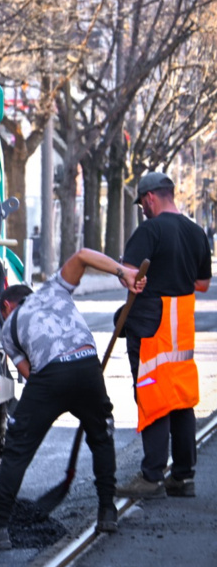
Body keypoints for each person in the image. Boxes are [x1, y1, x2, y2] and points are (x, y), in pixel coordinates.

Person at [0, 248, 145, 550]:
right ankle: (107, 510)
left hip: (50, 375)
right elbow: (82, 255)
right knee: (101, 436)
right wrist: (123, 272)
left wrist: (57, 393)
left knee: (17, 450)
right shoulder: (55, 288)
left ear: (6, 306)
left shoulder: (9, 329)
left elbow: (31, 375)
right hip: (88, 366)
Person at [116, 172, 211, 499]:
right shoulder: (197, 233)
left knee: (153, 394)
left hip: (151, 323)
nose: (143, 209)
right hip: (181, 323)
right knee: (181, 398)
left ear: (150, 198)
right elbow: (202, 284)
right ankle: (182, 477)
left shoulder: (150, 230)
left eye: (142, 204)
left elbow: (129, 274)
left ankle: (152, 476)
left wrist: (130, 275)